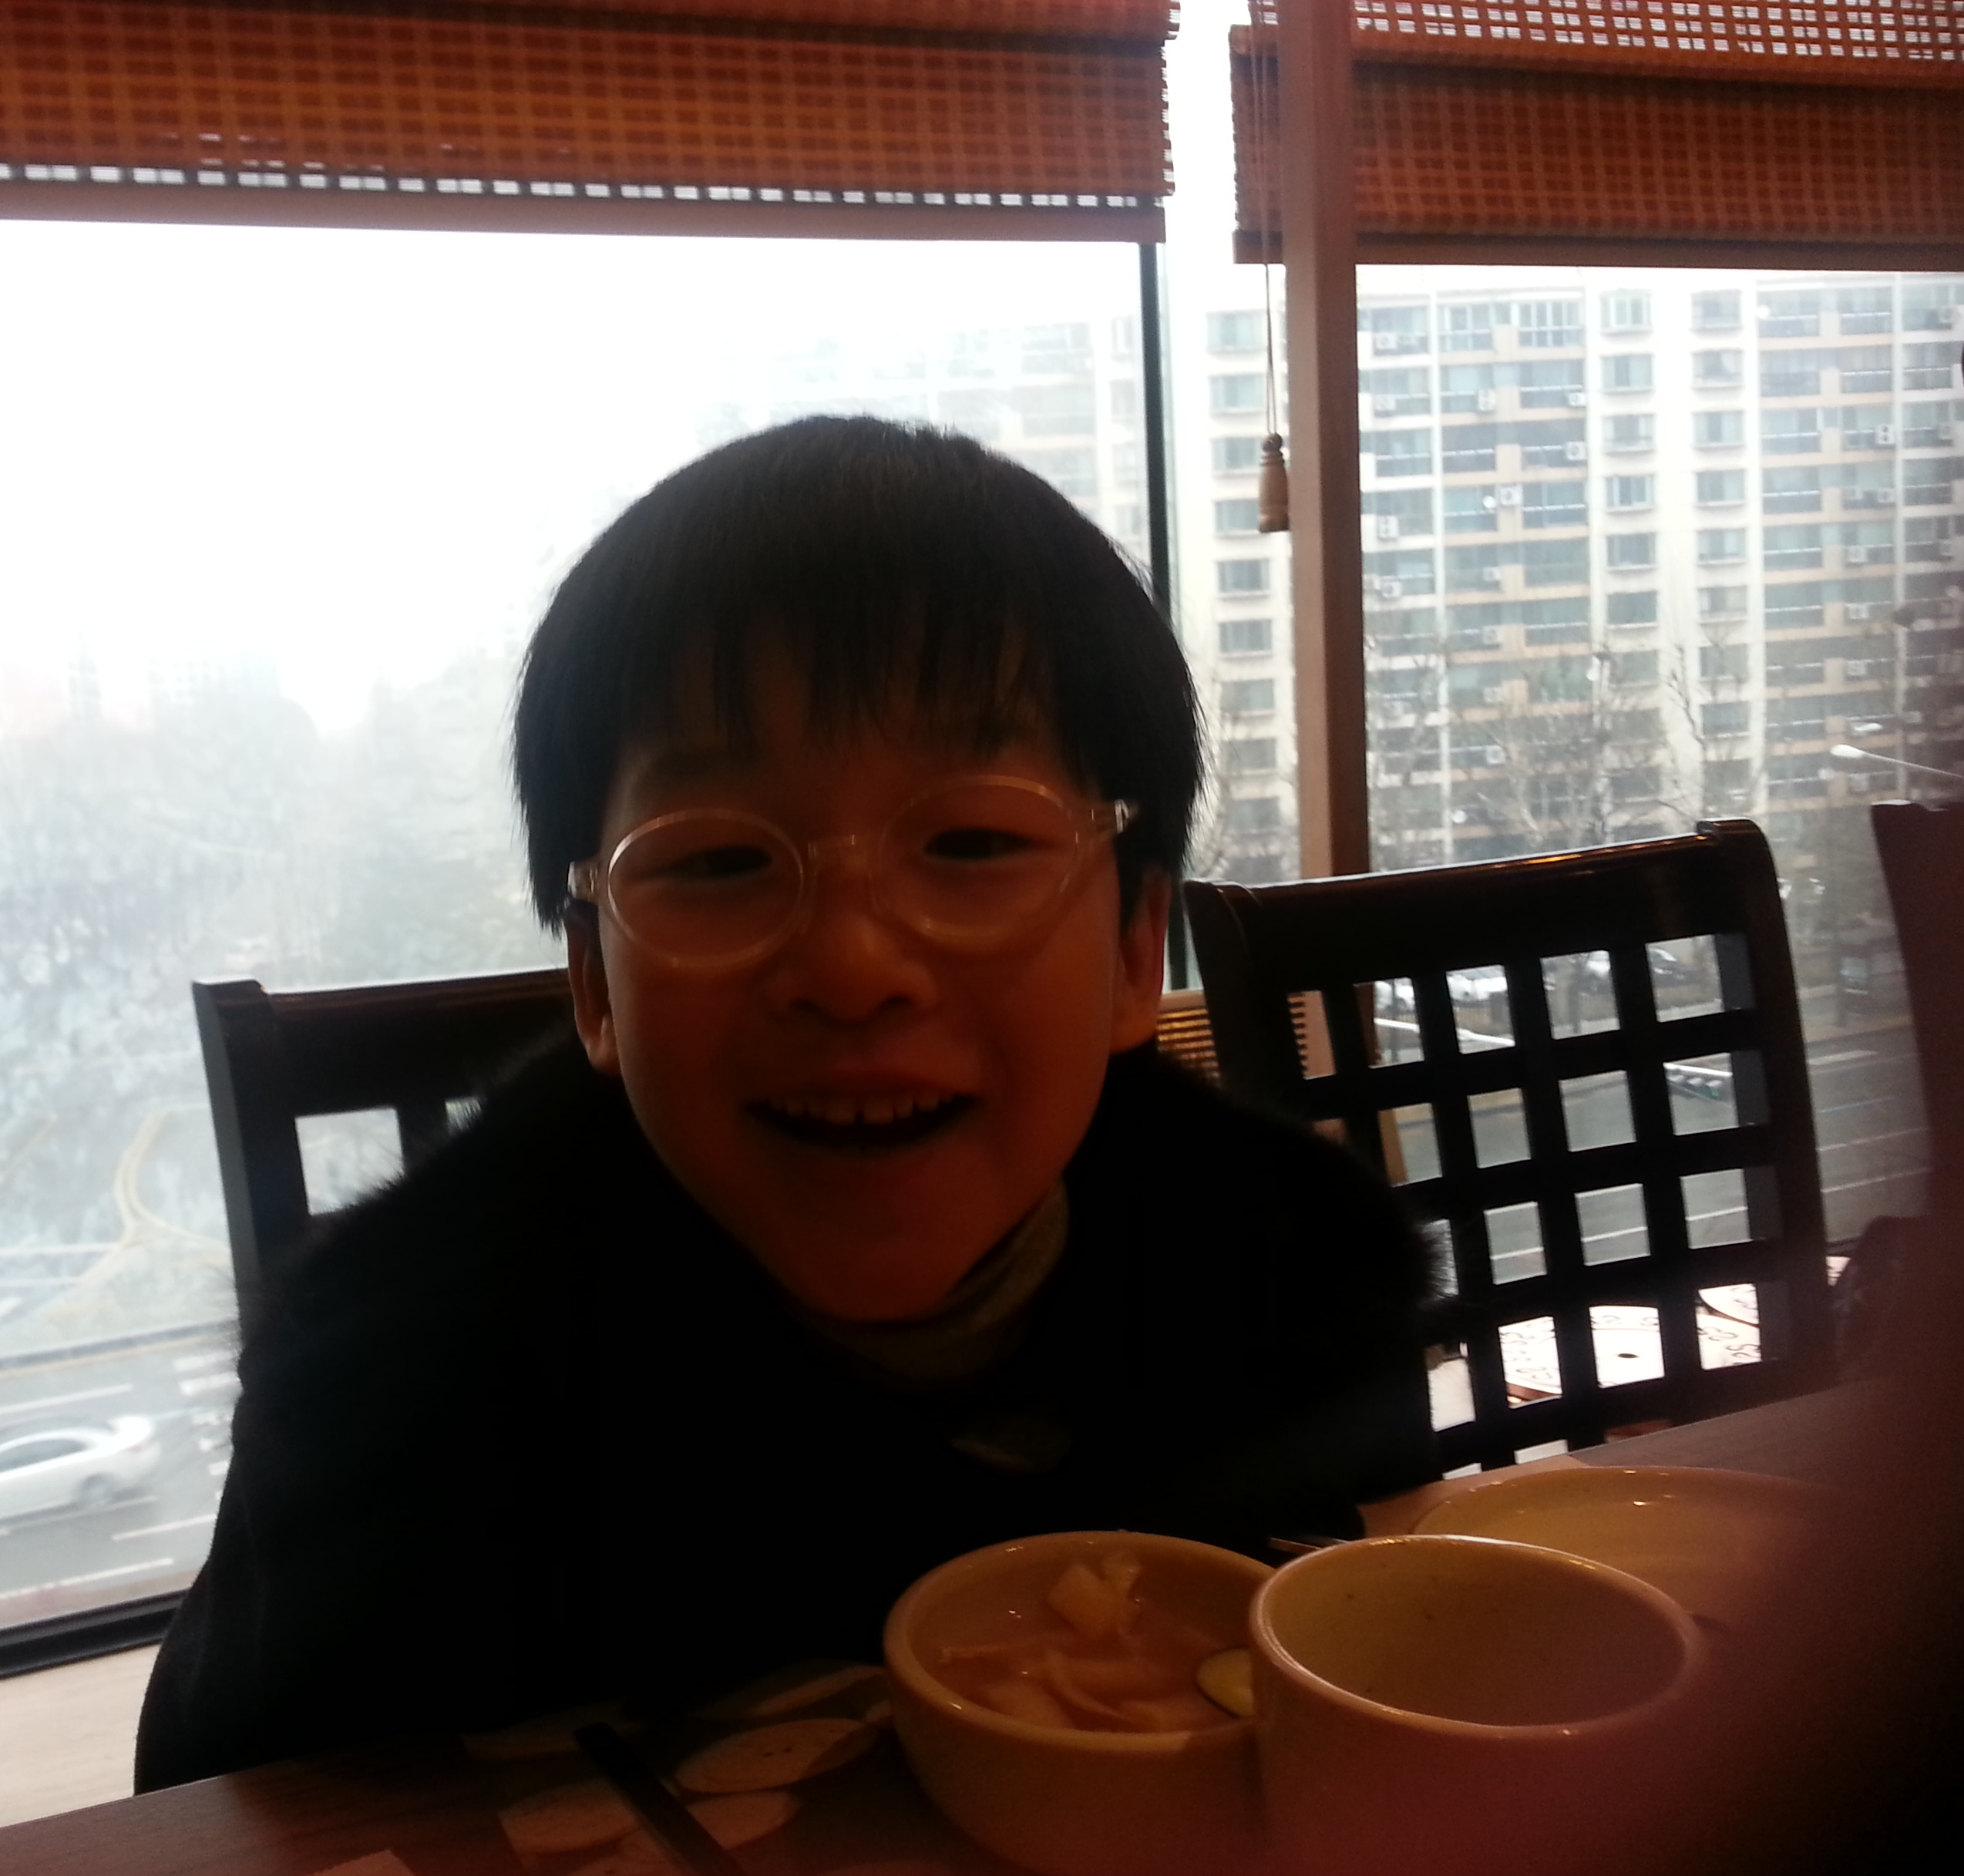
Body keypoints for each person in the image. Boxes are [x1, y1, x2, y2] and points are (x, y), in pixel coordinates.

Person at [134, 418, 1438, 1790]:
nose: (852, 967)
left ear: (1131, 948)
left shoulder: (1294, 1289)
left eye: (972, 841)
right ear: (594, 981)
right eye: (715, 863)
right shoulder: (399, 1399)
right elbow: (224, 1816)